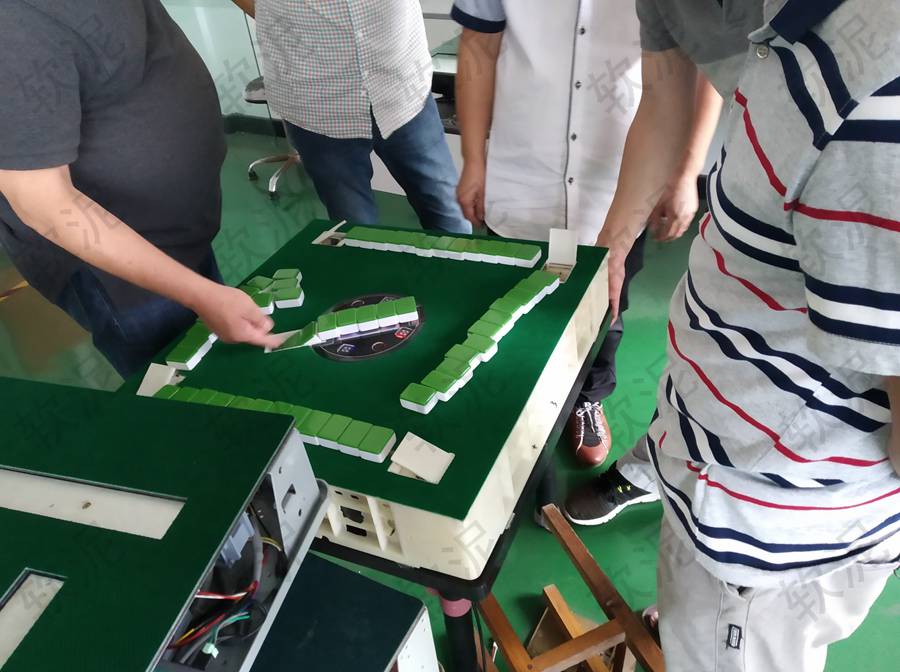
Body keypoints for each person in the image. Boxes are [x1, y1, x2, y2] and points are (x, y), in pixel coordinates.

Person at [604, 1, 900, 672]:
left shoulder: (874, 99)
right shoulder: (792, 27)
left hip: (769, 529)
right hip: (726, 468)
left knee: (739, 639)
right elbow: (668, 98)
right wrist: (611, 251)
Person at [452, 0, 720, 467]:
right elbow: (478, 46)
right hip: (521, 173)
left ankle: (588, 396)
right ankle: (510, 399)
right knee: (510, 300)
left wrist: (686, 171)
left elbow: (703, 65)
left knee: (608, 304)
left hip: (621, 181)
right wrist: (473, 159)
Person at [0, 0, 280, 379]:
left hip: (176, 233)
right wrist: (199, 294)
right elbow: (45, 205)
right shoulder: (13, 27)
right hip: (117, 269)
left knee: (222, 355)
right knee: (187, 385)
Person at [565, 0, 764, 526]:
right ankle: (657, 467)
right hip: (755, 190)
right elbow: (663, 96)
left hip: (868, 207)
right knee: (709, 346)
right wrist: (612, 246)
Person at [232, 0, 470, 235]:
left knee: (450, 216)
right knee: (354, 229)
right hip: (315, 101)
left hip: (402, 87)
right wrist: (276, 16)